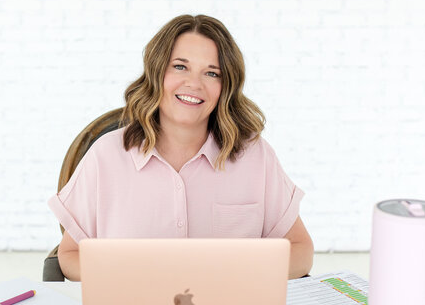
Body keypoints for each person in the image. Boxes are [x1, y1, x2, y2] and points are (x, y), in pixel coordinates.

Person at [48, 14, 313, 281]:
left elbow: (300, 250)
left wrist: (237, 273)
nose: (194, 84)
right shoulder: (105, 156)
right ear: (157, 71)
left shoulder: (256, 156)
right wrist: (127, 276)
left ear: (226, 86)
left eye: (211, 73)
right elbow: (70, 254)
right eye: (180, 67)